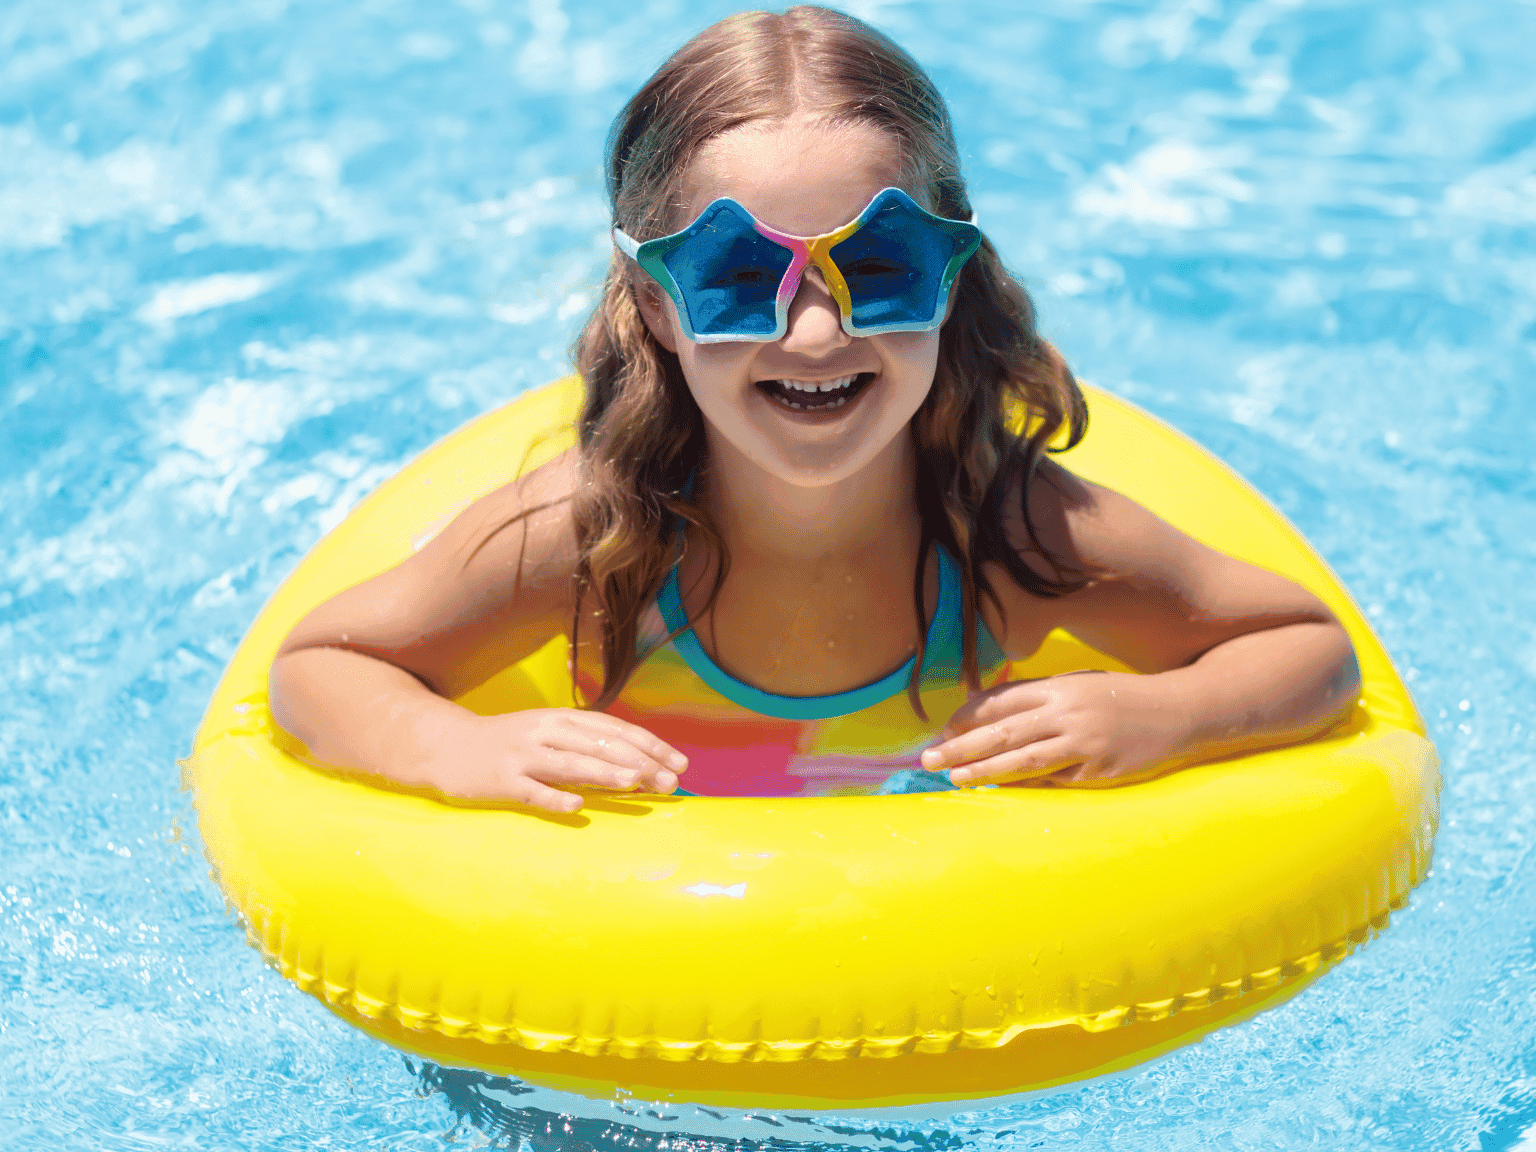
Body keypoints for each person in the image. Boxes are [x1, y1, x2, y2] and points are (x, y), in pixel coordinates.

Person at [268, 6, 1360, 814]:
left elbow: (1308, 647)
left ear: (951, 271)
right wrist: (453, 749)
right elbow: (320, 668)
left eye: (878, 263)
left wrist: (1163, 717)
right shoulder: (588, 551)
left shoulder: (1011, 537)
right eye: (740, 276)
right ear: (655, 303)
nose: (817, 333)